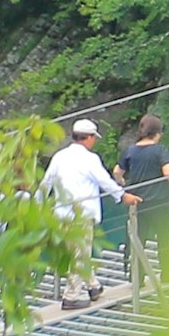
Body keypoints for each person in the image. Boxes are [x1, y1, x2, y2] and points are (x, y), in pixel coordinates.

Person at [40, 117, 131, 308]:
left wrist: (36, 205)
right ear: (88, 137)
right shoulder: (90, 159)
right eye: (93, 138)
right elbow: (104, 180)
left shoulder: (59, 157)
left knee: (77, 251)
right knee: (80, 254)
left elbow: (46, 183)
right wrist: (121, 195)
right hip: (81, 215)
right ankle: (71, 297)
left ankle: (93, 286)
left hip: (61, 214)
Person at [118, 112, 169, 291]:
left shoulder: (130, 151)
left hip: (137, 203)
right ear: (157, 133)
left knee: (138, 240)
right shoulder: (160, 150)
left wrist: (123, 185)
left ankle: (137, 278)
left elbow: (117, 171)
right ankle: (168, 274)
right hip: (159, 202)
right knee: (164, 238)